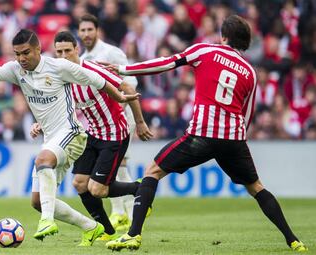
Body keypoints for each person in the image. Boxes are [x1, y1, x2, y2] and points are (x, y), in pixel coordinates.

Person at [104, 15, 308, 252]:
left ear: (224, 36)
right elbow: (247, 113)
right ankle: (293, 240)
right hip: (233, 139)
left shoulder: (205, 51)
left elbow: (166, 63)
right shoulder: (250, 72)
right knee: (256, 188)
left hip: (201, 135)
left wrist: (123, 69)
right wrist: (237, 139)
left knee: (153, 171)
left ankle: (133, 235)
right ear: (245, 42)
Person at [0, 29, 139, 246]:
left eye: (26, 53)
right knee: (38, 201)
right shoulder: (16, 70)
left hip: (71, 134)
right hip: (50, 140)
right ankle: (92, 227)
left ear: (38, 49)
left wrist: (120, 97)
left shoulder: (59, 67)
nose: (21, 59)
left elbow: (98, 80)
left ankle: (46, 221)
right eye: (17, 54)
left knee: (42, 161)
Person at [38, 31, 152, 241]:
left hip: (114, 134)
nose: (63, 56)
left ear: (77, 50)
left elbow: (126, 88)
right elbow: (58, 106)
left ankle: (140, 188)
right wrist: (40, 123)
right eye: (59, 52)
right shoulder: (62, 76)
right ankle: (106, 231)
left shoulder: (92, 69)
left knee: (97, 189)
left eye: (67, 51)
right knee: (80, 184)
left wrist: (140, 122)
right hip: (91, 133)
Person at [78, 13, 142, 232]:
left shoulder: (111, 53)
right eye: (83, 30)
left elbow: (129, 83)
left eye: (89, 30)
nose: (86, 34)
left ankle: (126, 211)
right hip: (104, 122)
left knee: (116, 166)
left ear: (98, 31)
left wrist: (118, 113)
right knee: (116, 167)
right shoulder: (82, 58)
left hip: (121, 115)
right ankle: (122, 211)